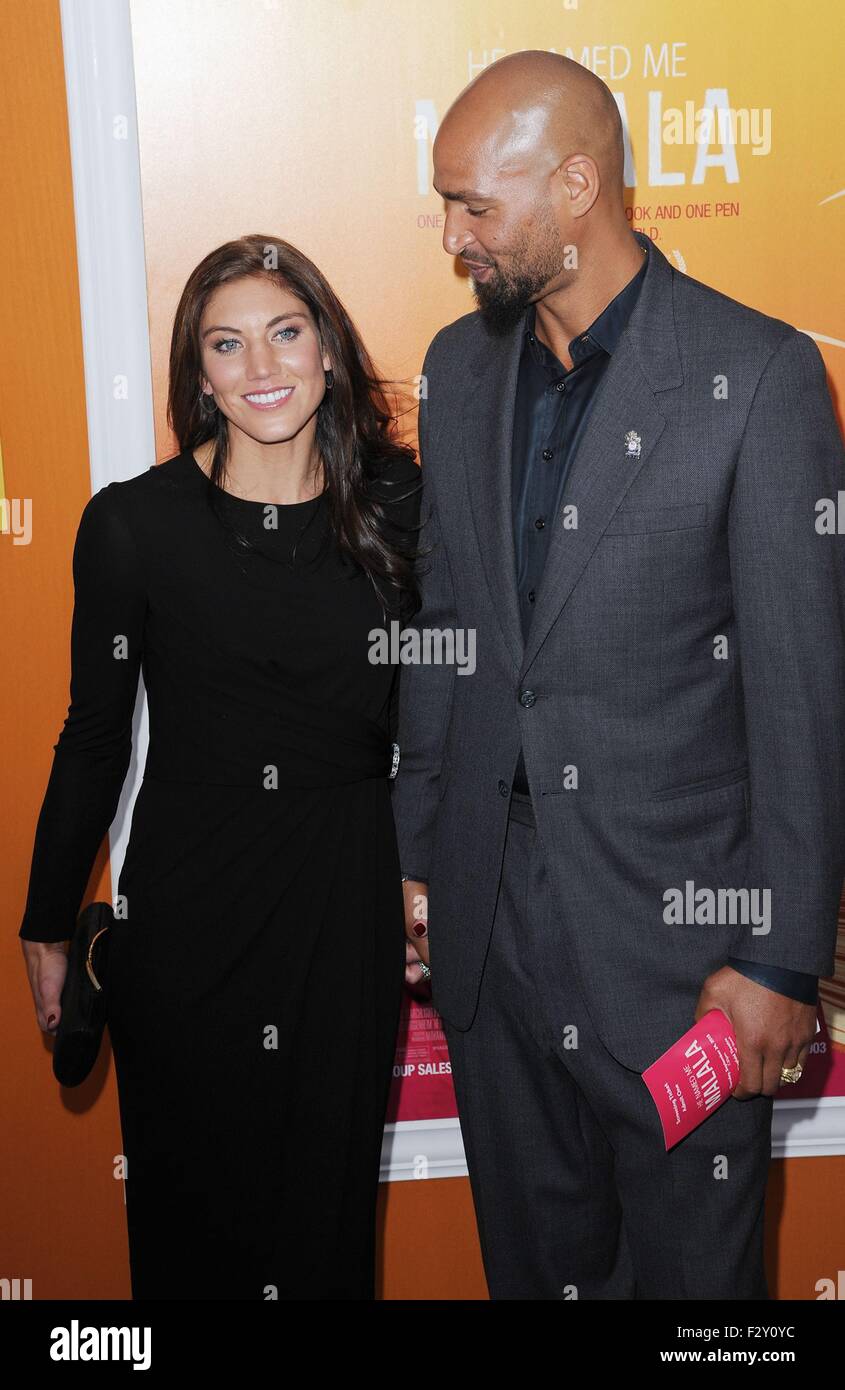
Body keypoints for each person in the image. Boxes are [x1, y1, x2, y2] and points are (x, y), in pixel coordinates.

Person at [394, 51, 845, 1299]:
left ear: (576, 188)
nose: (451, 238)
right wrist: (417, 853)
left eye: (474, 207)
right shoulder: (458, 365)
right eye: (444, 204)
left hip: (678, 950)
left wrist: (777, 963)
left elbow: (804, 701)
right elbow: (448, 625)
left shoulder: (755, 378)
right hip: (492, 934)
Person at [19, 234, 421, 1300]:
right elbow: (94, 737)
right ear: (197, 373)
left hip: (344, 900)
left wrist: (431, 874)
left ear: (328, 349)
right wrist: (47, 921)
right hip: (193, 906)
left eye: (285, 333)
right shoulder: (133, 526)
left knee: (324, 1221)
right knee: (191, 1220)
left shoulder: (398, 508)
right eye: (227, 344)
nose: (261, 367)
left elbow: (447, 716)